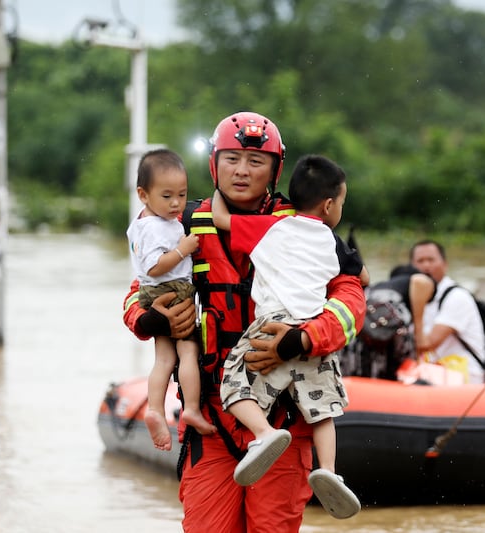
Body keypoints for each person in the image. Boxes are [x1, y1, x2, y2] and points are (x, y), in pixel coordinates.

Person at [122, 112, 366, 533]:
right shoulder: (179, 223)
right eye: (232, 159)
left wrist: (302, 340)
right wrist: (149, 316)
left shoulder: (303, 225)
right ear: (216, 163)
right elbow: (137, 289)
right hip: (213, 417)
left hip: (286, 421)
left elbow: (350, 301)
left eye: (255, 162)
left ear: (276, 170)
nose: (241, 171)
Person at [211, 154, 365, 518]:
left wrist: (218, 188)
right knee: (323, 412)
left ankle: (263, 433)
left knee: (233, 386)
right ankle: (327, 470)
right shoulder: (334, 243)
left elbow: (219, 219)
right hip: (312, 325)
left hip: (271, 324)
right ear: (329, 205)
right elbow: (362, 277)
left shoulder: (268, 228)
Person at [126, 149, 216, 452]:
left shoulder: (144, 222)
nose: (176, 204)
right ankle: (190, 407)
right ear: (143, 194)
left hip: (154, 294)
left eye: (182, 194)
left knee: (164, 359)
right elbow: (153, 266)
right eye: (167, 197)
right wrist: (184, 249)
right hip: (173, 290)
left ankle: (154, 409)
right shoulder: (155, 227)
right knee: (188, 352)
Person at [409, 240, 485, 384]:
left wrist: (417, 302)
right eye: (420, 261)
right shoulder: (407, 295)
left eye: (431, 260)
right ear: (411, 267)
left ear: (445, 264)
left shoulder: (457, 297)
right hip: (432, 373)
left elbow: (425, 345)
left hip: (464, 377)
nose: (426, 266)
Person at [352, 264, 436, 380]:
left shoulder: (378, 287)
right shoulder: (419, 281)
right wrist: (419, 334)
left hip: (360, 330)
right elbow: (420, 281)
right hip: (385, 327)